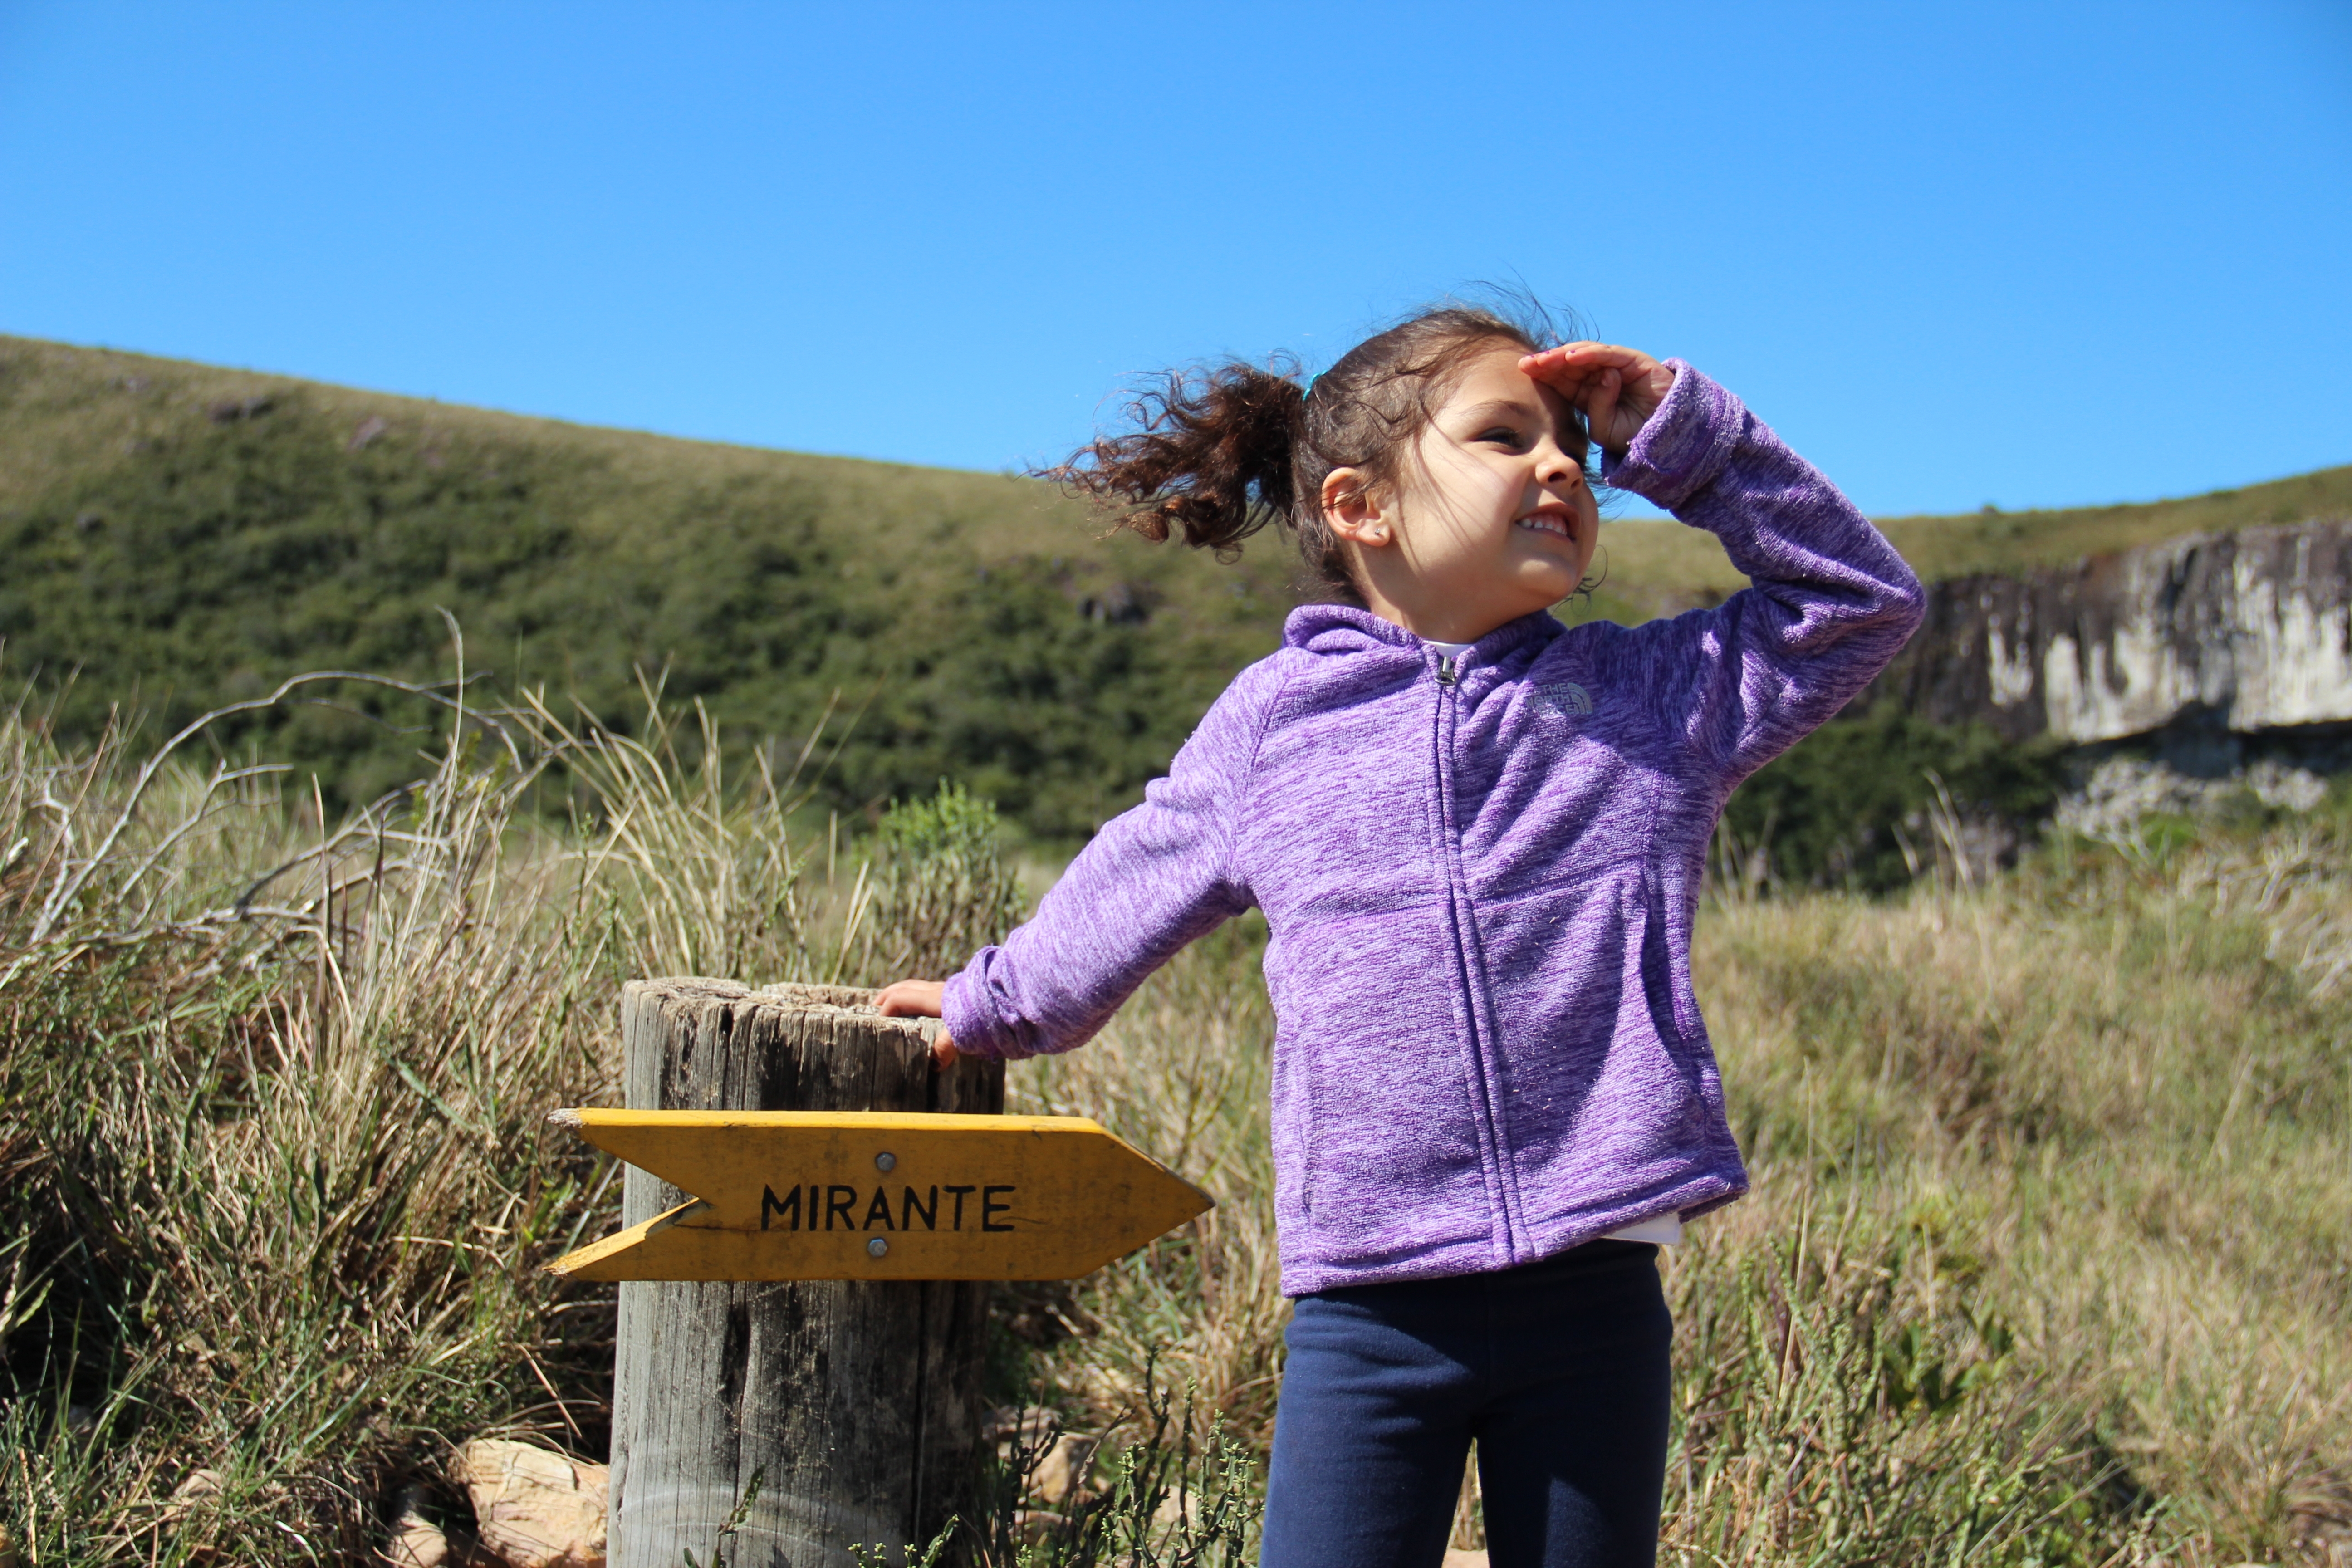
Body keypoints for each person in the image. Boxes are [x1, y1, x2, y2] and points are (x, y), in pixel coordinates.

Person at [876, 303, 1924, 1568]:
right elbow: (1135, 876)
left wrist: (1682, 439)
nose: (1558, 468)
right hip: (1369, 1306)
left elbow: (1859, 606)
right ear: (1362, 508)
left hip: (1595, 1292)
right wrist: (990, 1001)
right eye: (1503, 436)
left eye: (1578, 455)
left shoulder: (1650, 701)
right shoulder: (1272, 728)